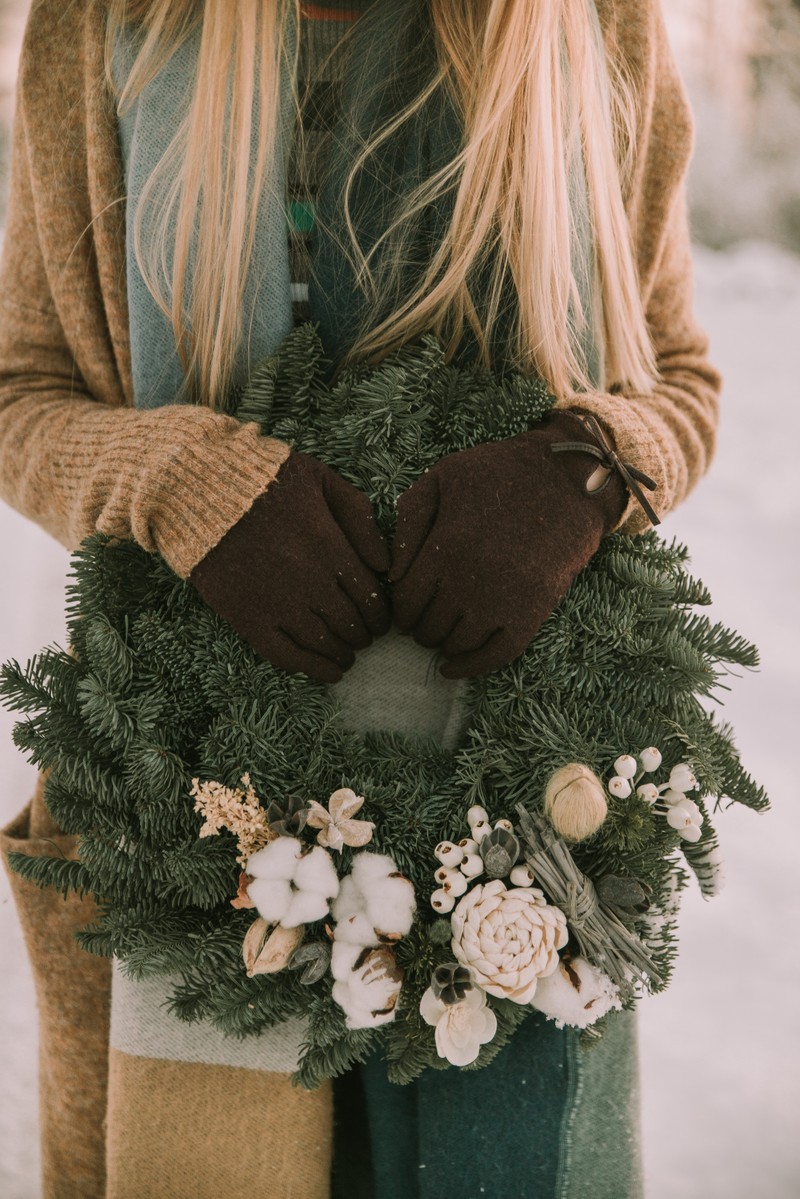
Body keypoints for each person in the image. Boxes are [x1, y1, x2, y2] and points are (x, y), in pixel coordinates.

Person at [0, 1, 720, 1196]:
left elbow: (678, 376)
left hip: (526, 841)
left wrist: (584, 469)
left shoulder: (586, 27)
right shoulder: (109, 26)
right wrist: (174, 477)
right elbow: (22, 394)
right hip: (189, 818)